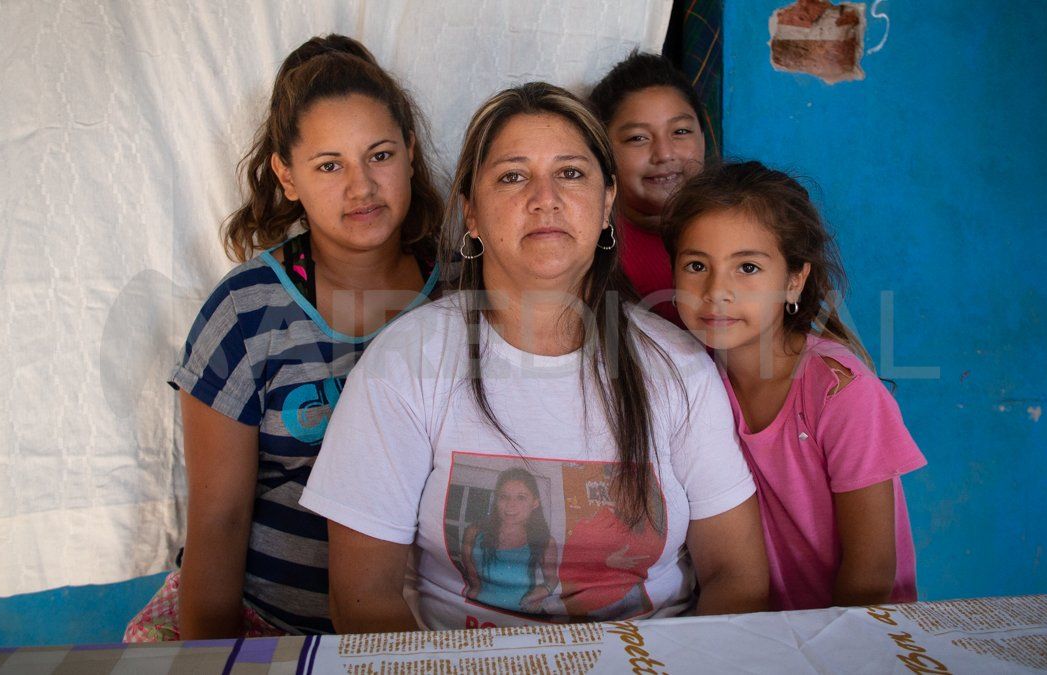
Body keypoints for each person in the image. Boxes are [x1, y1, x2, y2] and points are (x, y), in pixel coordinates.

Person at [302, 82, 768, 633]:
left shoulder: (677, 367)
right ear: (471, 213)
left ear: (606, 203)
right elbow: (362, 598)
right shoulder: (403, 365)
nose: (544, 198)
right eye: (512, 176)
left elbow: (738, 577)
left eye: (570, 173)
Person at [123, 34, 443, 640]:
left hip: (419, 629)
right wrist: (216, 659)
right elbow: (219, 521)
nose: (361, 187)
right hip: (267, 624)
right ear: (286, 175)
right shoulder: (246, 312)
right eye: (329, 165)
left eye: (379, 156)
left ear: (409, 152)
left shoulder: (459, 299)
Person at [662, 161, 927, 611]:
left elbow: (871, 574)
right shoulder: (690, 379)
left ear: (794, 280)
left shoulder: (840, 393)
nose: (716, 291)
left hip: (854, 639)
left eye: (746, 267)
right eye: (695, 265)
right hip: (754, 633)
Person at [588, 52, 709, 324]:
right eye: (638, 138)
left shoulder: (742, 231)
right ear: (602, 152)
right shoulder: (592, 252)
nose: (664, 154)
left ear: (703, 136)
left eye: (680, 132)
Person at [459, 468, 559, 615]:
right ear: (496, 500)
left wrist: (543, 591)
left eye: (521, 497)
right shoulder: (473, 534)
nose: (511, 505)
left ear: (535, 503)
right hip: (476, 614)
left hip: (522, 616)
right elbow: (473, 583)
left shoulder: (545, 542)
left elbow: (552, 580)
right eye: (504, 497)